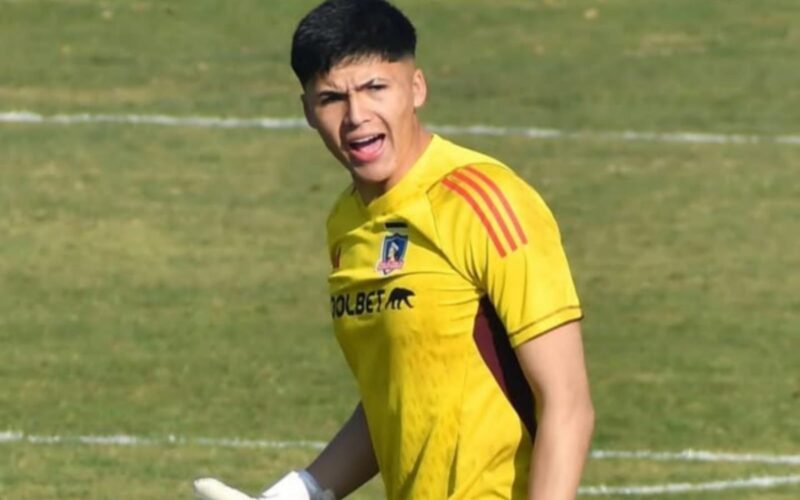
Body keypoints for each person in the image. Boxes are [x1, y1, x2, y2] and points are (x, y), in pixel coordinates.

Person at [195, 0, 594, 498]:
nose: (357, 116)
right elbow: (398, 394)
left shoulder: (484, 201)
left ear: (416, 88)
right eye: (331, 98)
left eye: (374, 88)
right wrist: (297, 493)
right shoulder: (347, 225)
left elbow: (567, 403)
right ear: (306, 111)